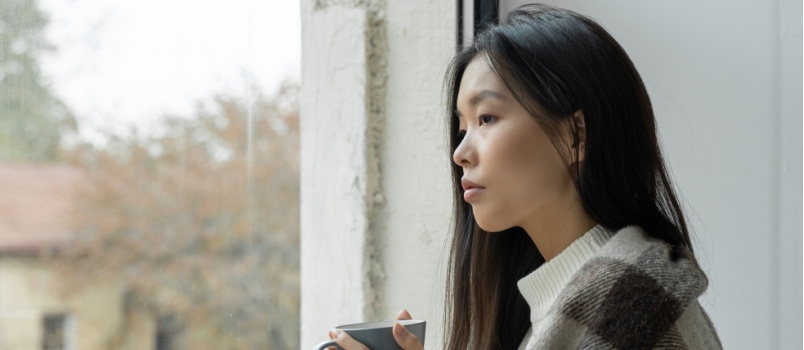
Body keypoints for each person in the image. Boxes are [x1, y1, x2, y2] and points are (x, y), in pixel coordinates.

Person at [327, 4, 722, 349]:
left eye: (486, 118)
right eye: (462, 128)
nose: (460, 153)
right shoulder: (556, 314)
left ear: (575, 136)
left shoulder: (636, 310)